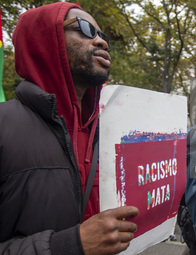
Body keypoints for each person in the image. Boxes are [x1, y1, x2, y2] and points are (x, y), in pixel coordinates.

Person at [0, 2, 139, 254]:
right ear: (43, 40)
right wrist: (69, 245)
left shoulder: (109, 133)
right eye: (85, 29)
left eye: (102, 35)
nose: (101, 42)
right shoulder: (4, 125)